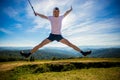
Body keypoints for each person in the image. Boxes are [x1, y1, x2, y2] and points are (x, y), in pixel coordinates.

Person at [20, 6, 91, 58]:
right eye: (54, 11)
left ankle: (83, 53)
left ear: (59, 12)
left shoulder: (61, 17)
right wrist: (37, 13)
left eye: (57, 11)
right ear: (53, 12)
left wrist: (70, 10)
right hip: (52, 35)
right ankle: (28, 54)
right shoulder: (51, 18)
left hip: (59, 36)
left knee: (70, 44)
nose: (55, 12)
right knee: (40, 45)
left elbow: (66, 13)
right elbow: (43, 16)